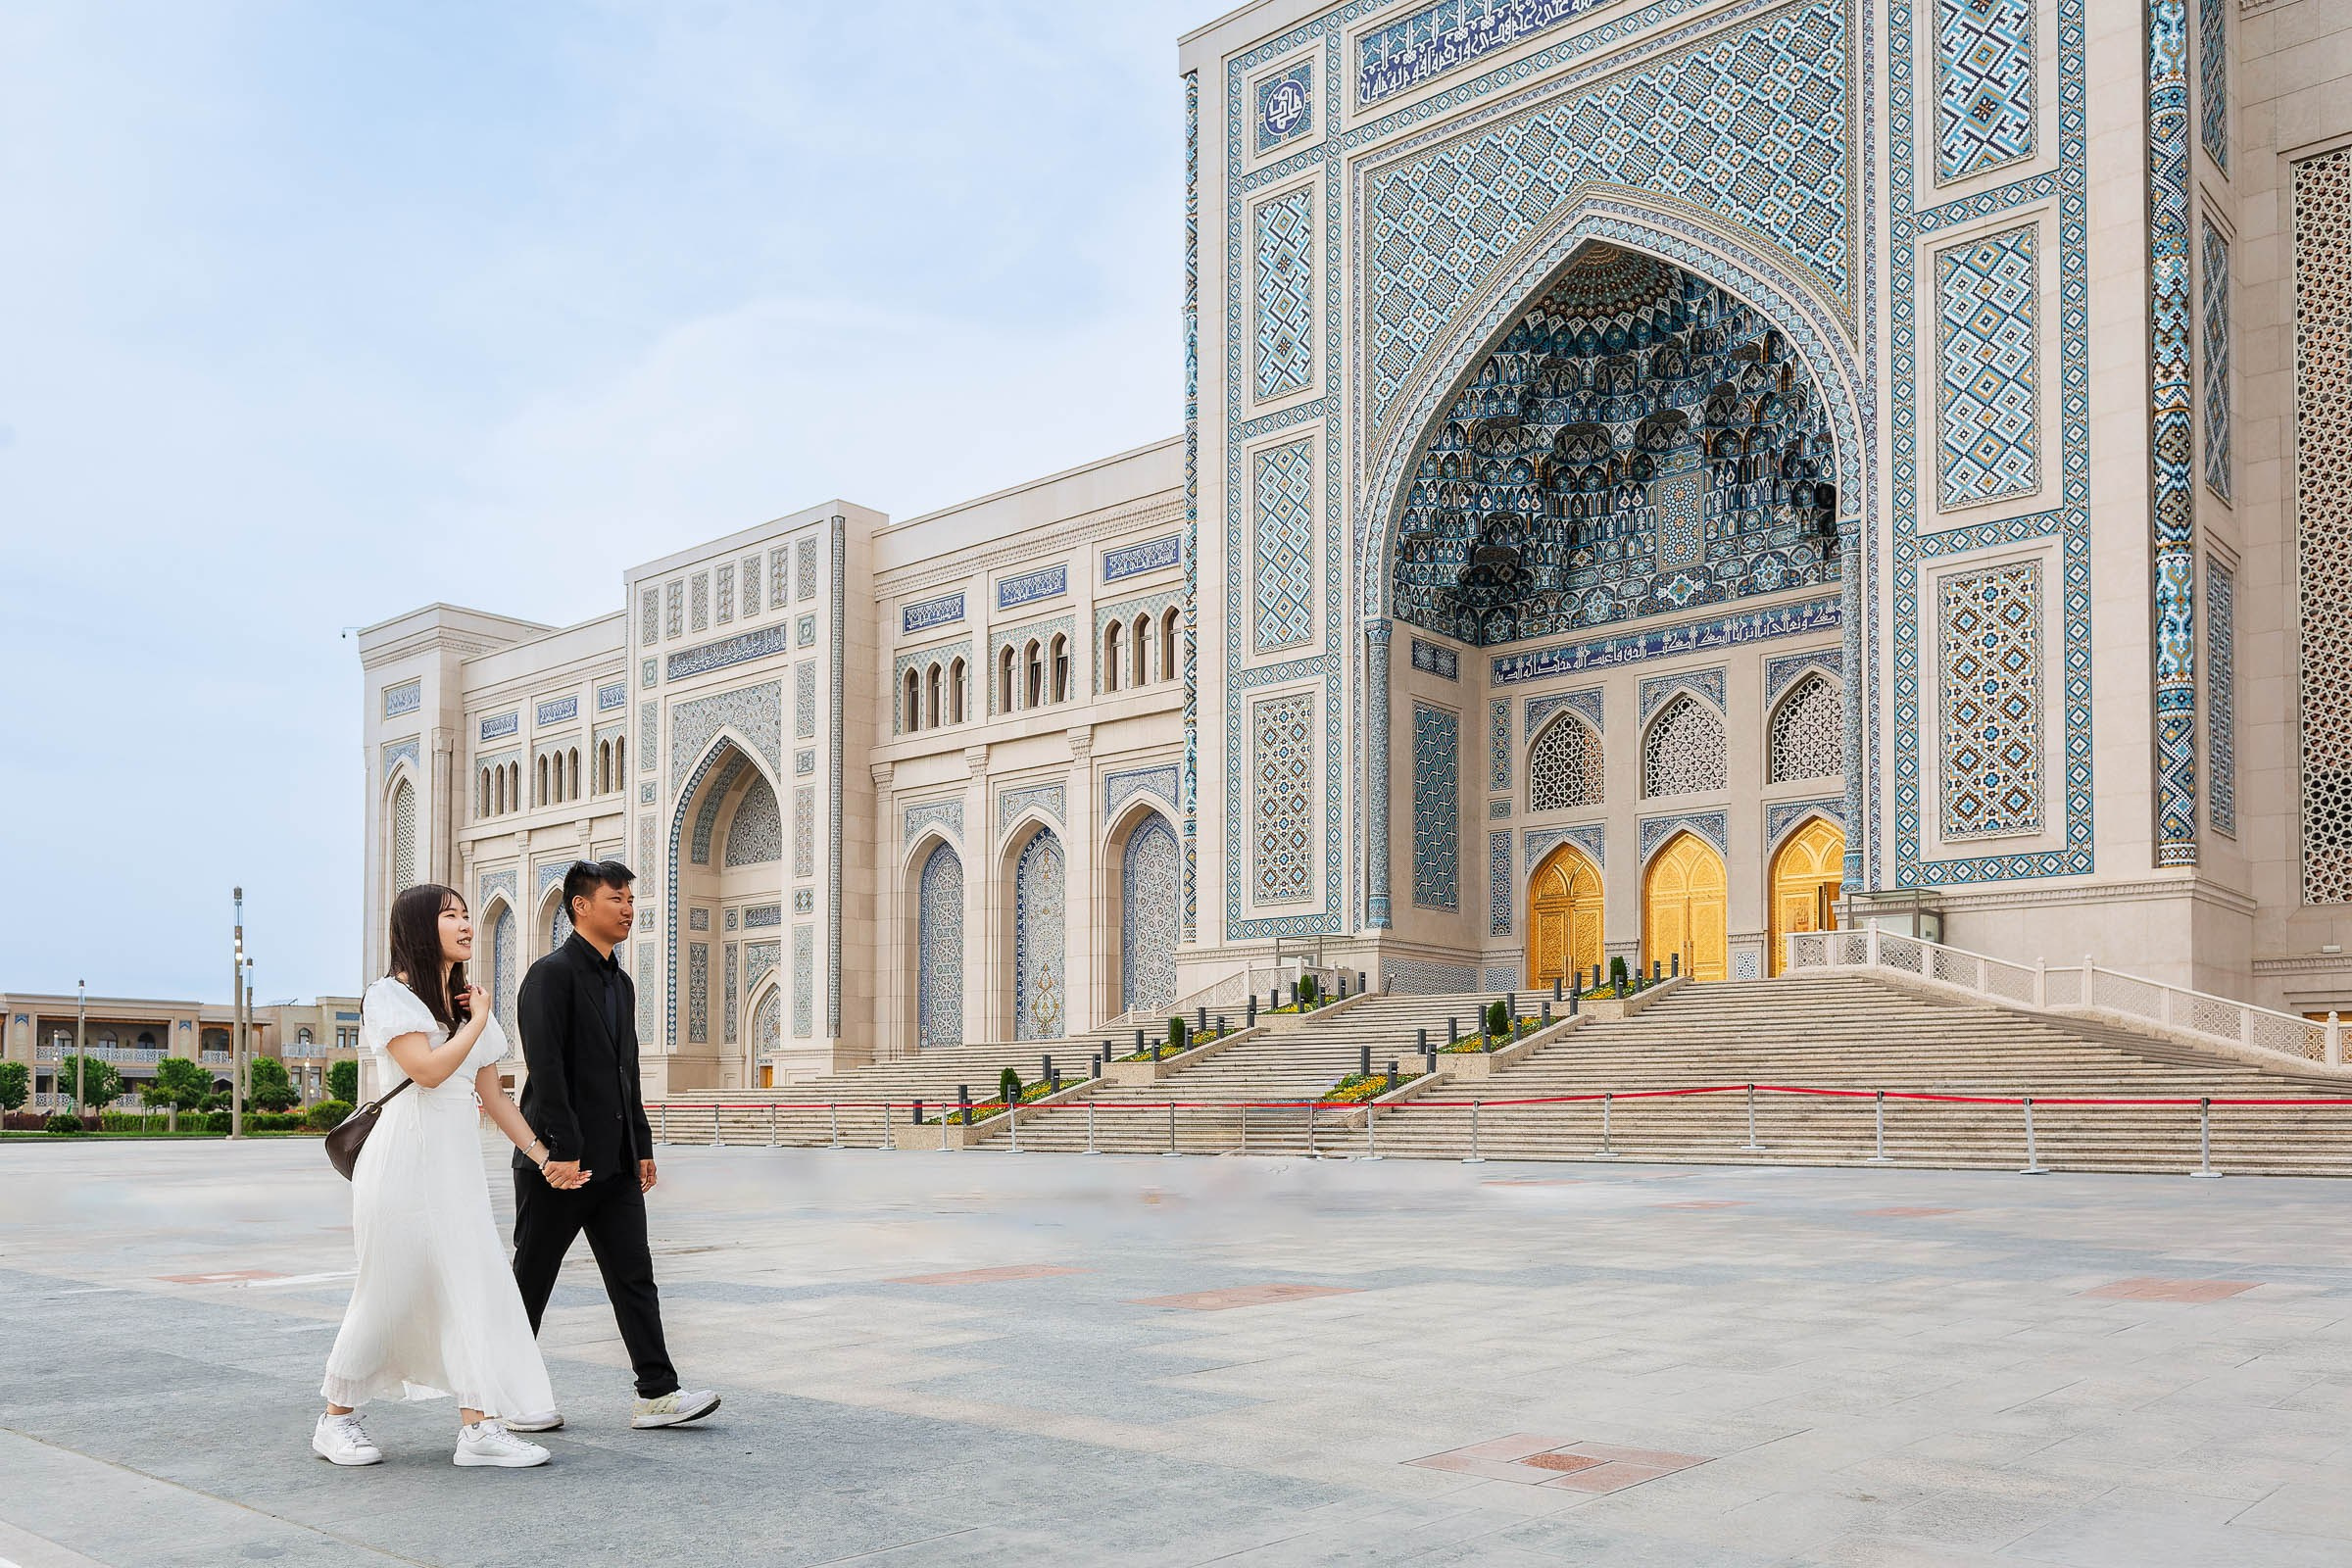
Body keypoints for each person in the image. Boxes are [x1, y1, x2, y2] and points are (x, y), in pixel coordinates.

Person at [316, 883, 583, 1469]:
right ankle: (336, 1419)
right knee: (387, 1291)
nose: (465, 925)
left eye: (466, 914)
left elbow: (495, 1098)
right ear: (418, 927)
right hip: (399, 1167)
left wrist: (544, 1158)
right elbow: (428, 1071)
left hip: (455, 1171)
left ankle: (479, 1427)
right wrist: (477, 1020)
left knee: (473, 1287)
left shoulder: (466, 1007)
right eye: (450, 916)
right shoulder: (389, 997)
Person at [503, 859, 719, 1433]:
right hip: (558, 1166)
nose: (628, 909)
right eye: (616, 898)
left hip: (615, 1165)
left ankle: (657, 1393)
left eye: (630, 899)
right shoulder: (549, 977)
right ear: (581, 906)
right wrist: (561, 1150)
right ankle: (501, 1394)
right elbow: (546, 1068)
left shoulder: (620, 982)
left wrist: (640, 1144)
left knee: (634, 1277)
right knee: (530, 1281)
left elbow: (628, 1072)